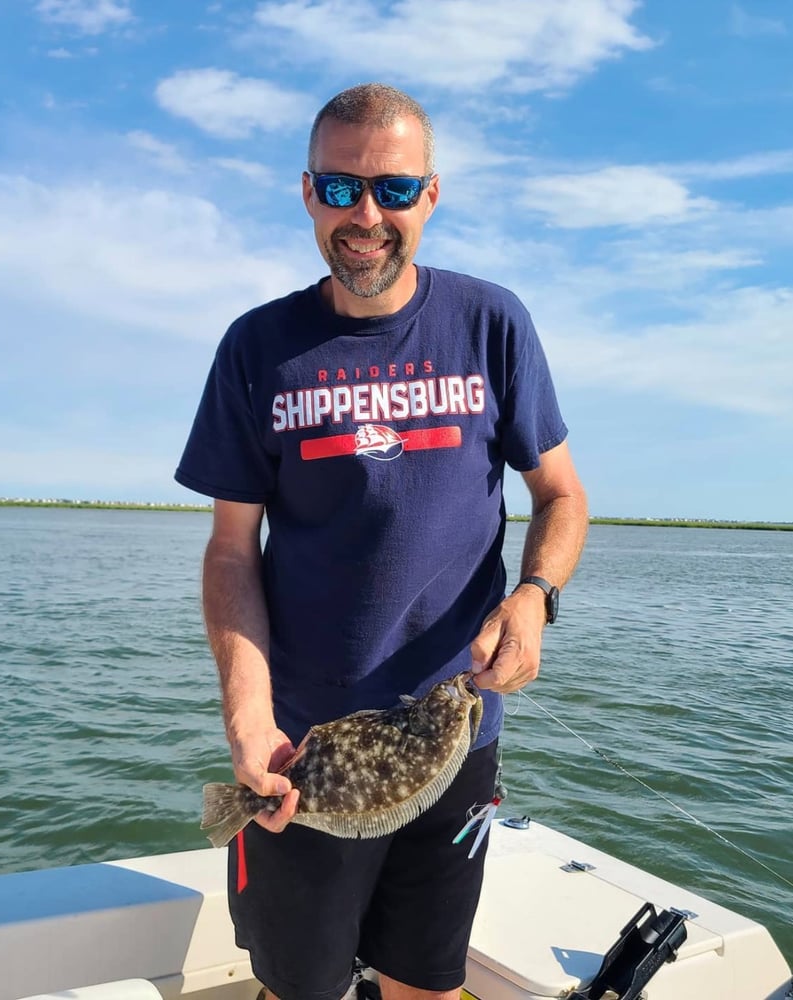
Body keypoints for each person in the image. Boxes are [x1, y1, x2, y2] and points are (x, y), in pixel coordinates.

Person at [175, 82, 588, 1000]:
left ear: (429, 196)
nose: (365, 215)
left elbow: (559, 495)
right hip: (303, 742)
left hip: (458, 734)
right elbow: (232, 550)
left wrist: (533, 597)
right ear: (307, 192)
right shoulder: (258, 347)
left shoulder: (491, 324)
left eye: (392, 189)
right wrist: (249, 722)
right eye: (339, 187)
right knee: (301, 984)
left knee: (426, 980)